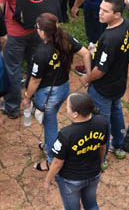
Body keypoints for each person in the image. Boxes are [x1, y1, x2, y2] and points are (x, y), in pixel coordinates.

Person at [24, 12, 90, 171]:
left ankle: (52, 159)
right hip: (63, 88)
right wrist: (88, 77)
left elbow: (35, 80)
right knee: (50, 120)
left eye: (37, 27)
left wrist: (27, 96)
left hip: (48, 94)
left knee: (50, 123)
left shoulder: (42, 53)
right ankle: (48, 145)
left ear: (42, 31)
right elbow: (86, 53)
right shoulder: (65, 38)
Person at [78, 0, 129, 156]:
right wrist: (98, 49)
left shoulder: (109, 38)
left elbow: (100, 70)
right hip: (119, 82)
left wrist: (86, 78)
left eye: (105, 11)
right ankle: (119, 145)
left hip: (103, 87)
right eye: (100, 8)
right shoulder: (128, 26)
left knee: (101, 122)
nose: (100, 13)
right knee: (116, 112)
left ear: (117, 14)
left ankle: (101, 157)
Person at [44, 92, 108, 210]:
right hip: (94, 173)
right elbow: (102, 147)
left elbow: (57, 163)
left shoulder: (66, 134)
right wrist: (101, 163)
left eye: (67, 106)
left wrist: (47, 181)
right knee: (92, 205)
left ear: (75, 114)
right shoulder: (102, 122)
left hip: (71, 180)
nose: (66, 108)